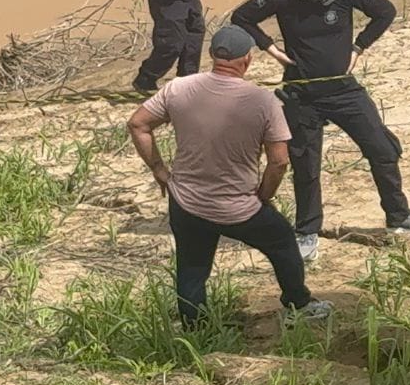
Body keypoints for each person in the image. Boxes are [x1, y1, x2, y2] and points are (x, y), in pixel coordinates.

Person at [231, 0, 410, 262]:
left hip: (344, 91)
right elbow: (241, 16)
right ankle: (307, 232)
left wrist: (359, 47)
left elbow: (386, 11)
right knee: (306, 165)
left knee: (382, 148)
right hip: (301, 94)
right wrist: (272, 50)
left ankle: (399, 216)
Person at [126, 25, 332, 326]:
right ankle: (297, 303)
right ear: (247, 59)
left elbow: (138, 124)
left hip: (186, 202)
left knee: (192, 267)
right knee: (283, 242)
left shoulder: (178, 88)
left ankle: (195, 328)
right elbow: (279, 162)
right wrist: (264, 196)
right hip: (238, 207)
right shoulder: (263, 101)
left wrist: (159, 169)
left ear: (211, 55)